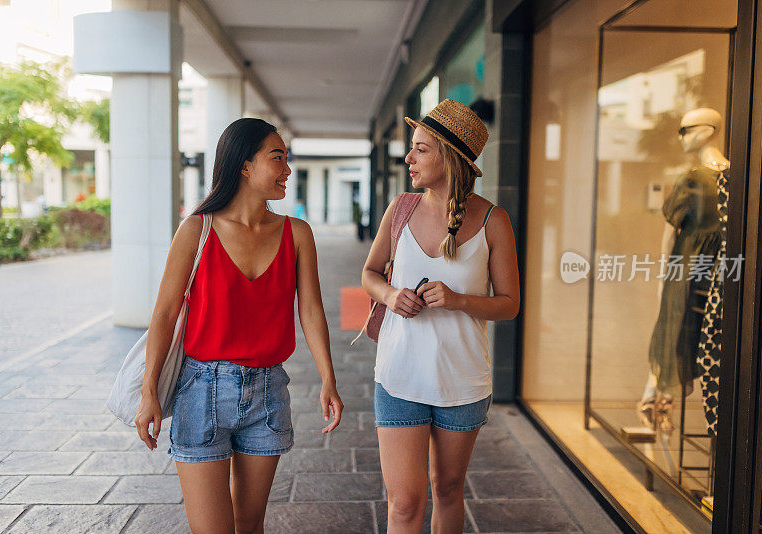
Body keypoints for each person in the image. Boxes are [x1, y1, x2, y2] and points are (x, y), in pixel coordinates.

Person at [135, 118, 344, 534]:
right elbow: (164, 314)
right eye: (277, 158)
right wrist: (149, 391)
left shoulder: (297, 233)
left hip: (268, 392)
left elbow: (312, 311)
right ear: (244, 165)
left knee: (250, 525)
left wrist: (328, 379)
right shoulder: (196, 229)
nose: (287, 169)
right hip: (201, 390)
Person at [361, 99, 520, 533]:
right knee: (405, 504)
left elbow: (509, 303)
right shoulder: (401, 209)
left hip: (462, 381)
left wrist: (459, 300)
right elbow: (370, 273)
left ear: (450, 157)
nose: (409, 158)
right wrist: (392, 296)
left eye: (421, 149)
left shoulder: (494, 220)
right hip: (399, 376)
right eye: (411, 149)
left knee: (448, 489)